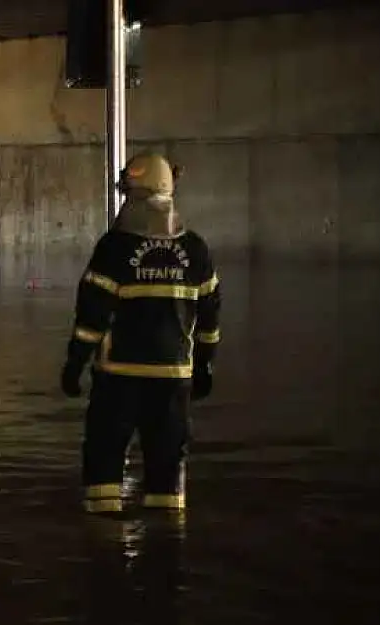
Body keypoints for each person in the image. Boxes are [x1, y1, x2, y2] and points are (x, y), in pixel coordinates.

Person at [60, 152, 221, 514]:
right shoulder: (195, 250)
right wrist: (205, 368)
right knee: (168, 480)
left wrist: (74, 366)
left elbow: (91, 319)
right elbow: (210, 320)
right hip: (173, 382)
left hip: (119, 379)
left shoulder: (114, 248)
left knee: (103, 469)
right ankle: (167, 556)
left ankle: (103, 556)